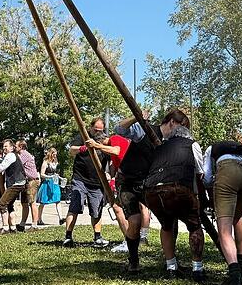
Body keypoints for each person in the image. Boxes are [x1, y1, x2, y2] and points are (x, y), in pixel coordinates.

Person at [86, 113, 155, 273]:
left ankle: (131, 240)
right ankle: (139, 238)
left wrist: (98, 147)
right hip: (130, 176)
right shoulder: (114, 144)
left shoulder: (115, 138)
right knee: (137, 209)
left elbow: (117, 151)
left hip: (133, 178)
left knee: (125, 210)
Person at [142, 109, 205, 280]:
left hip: (152, 192)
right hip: (178, 189)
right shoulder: (193, 145)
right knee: (194, 225)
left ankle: (171, 267)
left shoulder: (161, 147)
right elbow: (200, 173)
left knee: (166, 225)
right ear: (188, 134)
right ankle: (197, 269)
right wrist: (200, 198)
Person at [202, 140, 242, 285]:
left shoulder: (211, 149)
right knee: (237, 217)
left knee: (224, 229)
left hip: (228, 170)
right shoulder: (240, 148)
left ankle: (234, 275)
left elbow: (206, 177)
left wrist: (211, 193)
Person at [64, 118, 110, 248]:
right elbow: (71, 150)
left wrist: (109, 174)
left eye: (100, 130)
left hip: (97, 182)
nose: (97, 132)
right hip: (80, 179)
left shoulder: (104, 140)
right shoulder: (83, 136)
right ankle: (68, 237)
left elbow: (111, 159)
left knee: (97, 210)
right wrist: (82, 148)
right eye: (95, 129)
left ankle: (98, 237)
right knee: (75, 206)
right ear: (90, 127)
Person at [0, 139, 26, 233]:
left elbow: (0, 169)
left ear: (12, 148)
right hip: (18, 183)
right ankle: (13, 227)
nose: (4, 148)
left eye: (6, 146)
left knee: (2, 203)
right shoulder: (11, 155)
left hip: (16, 183)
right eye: (3, 146)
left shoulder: (11, 155)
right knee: (9, 205)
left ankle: (6, 228)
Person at [15, 140, 41, 231]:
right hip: (26, 181)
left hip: (32, 181)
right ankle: (22, 224)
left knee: (32, 202)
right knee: (24, 203)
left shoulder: (24, 154)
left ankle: (34, 225)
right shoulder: (22, 154)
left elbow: (17, 164)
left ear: (21, 146)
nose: (15, 147)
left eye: (16, 146)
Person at [36, 148, 62, 225]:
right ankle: (39, 219)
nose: (55, 156)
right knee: (43, 202)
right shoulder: (45, 162)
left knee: (58, 200)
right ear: (50, 154)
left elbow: (56, 174)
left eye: (56, 155)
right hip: (47, 183)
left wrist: (61, 178)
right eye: (54, 154)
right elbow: (42, 174)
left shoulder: (55, 162)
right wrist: (49, 177)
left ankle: (61, 218)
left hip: (55, 183)